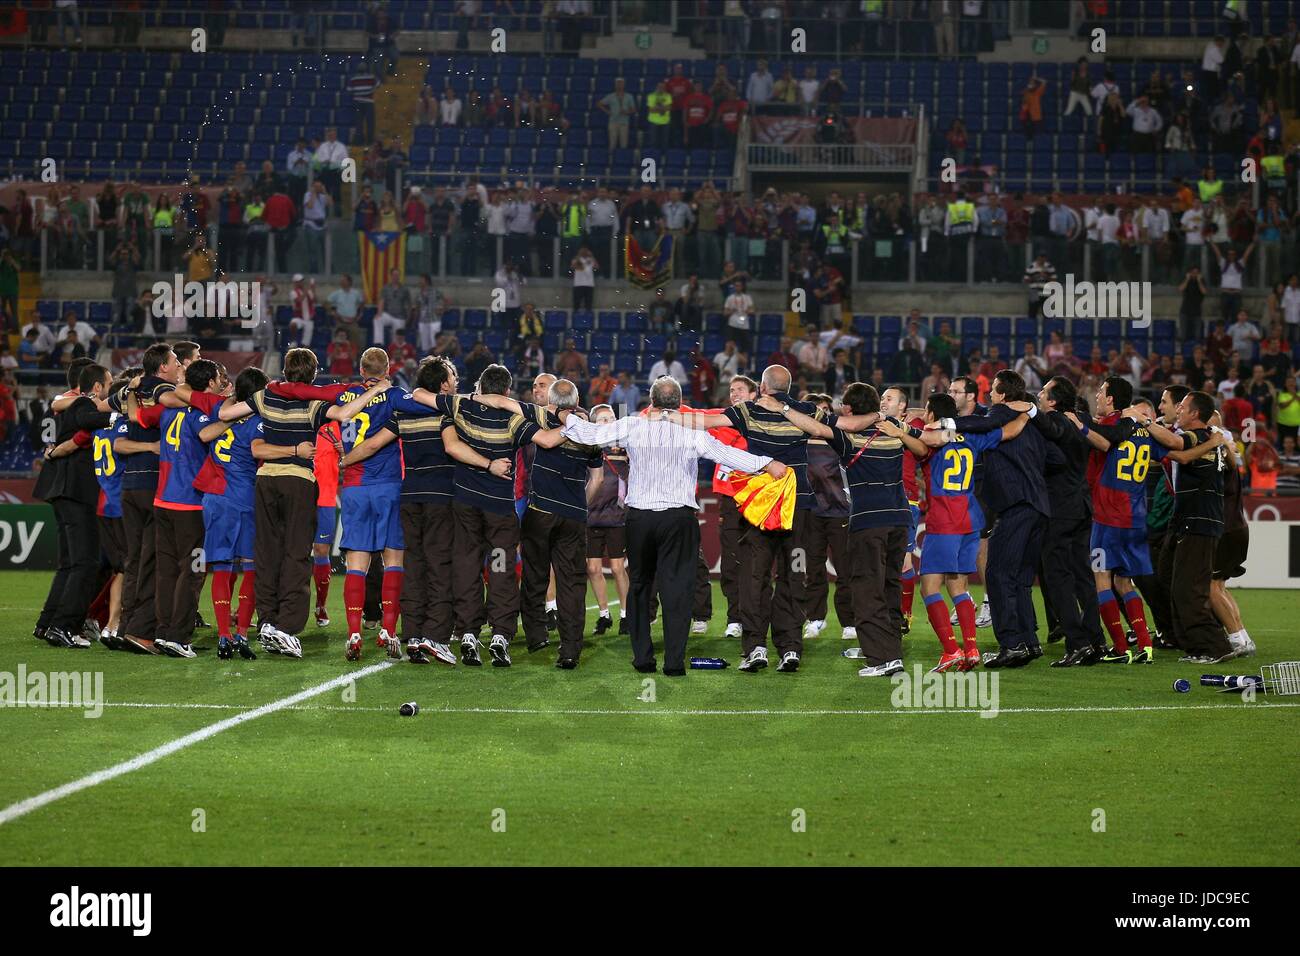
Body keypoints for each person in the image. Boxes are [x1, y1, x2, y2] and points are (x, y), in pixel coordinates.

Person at [557, 377, 784, 676]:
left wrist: (562, 414)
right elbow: (728, 455)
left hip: (640, 519)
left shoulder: (632, 425)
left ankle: (643, 658)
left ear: (650, 402)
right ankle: (674, 662)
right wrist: (767, 463)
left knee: (639, 586)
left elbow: (591, 434)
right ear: (679, 403)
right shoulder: (692, 430)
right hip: (678, 519)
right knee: (677, 590)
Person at [214, 349, 390, 656]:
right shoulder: (314, 402)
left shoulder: (265, 398)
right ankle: (286, 627)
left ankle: (267, 620)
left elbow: (224, 415)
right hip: (299, 481)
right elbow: (346, 413)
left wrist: (230, 395)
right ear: (312, 373)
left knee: (267, 553)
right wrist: (377, 389)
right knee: (296, 554)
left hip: (266, 481)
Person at [342, 356, 505, 664]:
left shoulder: (402, 414)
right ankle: (436, 636)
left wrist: (345, 461)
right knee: (439, 566)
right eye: (452, 378)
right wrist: (488, 464)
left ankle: (413, 635)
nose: (455, 383)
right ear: (443, 384)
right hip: (440, 497)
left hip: (409, 496)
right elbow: (454, 447)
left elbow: (373, 444)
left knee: (413, 567)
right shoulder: (447, 412)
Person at [949, 370, 1049, 667]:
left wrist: (947, 424)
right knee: (1019, 577)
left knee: (997, 574)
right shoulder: (1032, 425)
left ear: (1004, 395)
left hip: (1015, 506)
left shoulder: (1002, 412)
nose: (989, 395)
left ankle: (1011, 643)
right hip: (1039, 506)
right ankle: (1029, 642)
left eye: (993, 390)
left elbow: (984, 422)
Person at [1072, 378, 1164, 665]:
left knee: (1102, 580)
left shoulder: (1112, 426)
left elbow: (1099, 441)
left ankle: (1120, 647)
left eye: (1100, 392)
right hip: (1135, 516)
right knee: (1125, 583)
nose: (1097, 396)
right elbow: (1165, 456)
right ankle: (1146, 645)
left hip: (1108, 515)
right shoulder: (1142, 429)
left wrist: (1078, 422)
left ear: (1111, 399)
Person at [32, 363, 115, 649]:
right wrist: (117, 417)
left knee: (70, 563)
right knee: (86, 562)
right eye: (108, 382)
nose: (110, 386)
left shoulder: (58, 404)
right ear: (95, 387)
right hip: (75, 490)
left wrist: (55, 447)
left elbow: (41, 435)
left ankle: (47, 623)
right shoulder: (82, 404)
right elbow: (86, 416)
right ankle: (64, 626)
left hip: (58, 487)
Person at [1028, 376, 1105, 666]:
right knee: (1083, 575)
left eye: (1043, 392)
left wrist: (1031, 411)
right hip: (1082, 506)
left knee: (1057, 576)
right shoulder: (1082, 418)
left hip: (1060, 509)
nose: (1039, 394)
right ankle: (1096, 640)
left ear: (1053, 401)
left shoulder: (1059, 421)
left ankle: (1077, 643)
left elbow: (1052, 428)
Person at [585, 404, 630, 636]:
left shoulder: (626, 446)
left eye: (611, 418)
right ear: (593, 423)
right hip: (591, 516)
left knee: (617, 567)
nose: (608, 422)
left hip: (617, 516)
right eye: (602, 419)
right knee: (592, 568)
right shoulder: (587, 447)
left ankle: (625, 615)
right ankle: (604, 615)